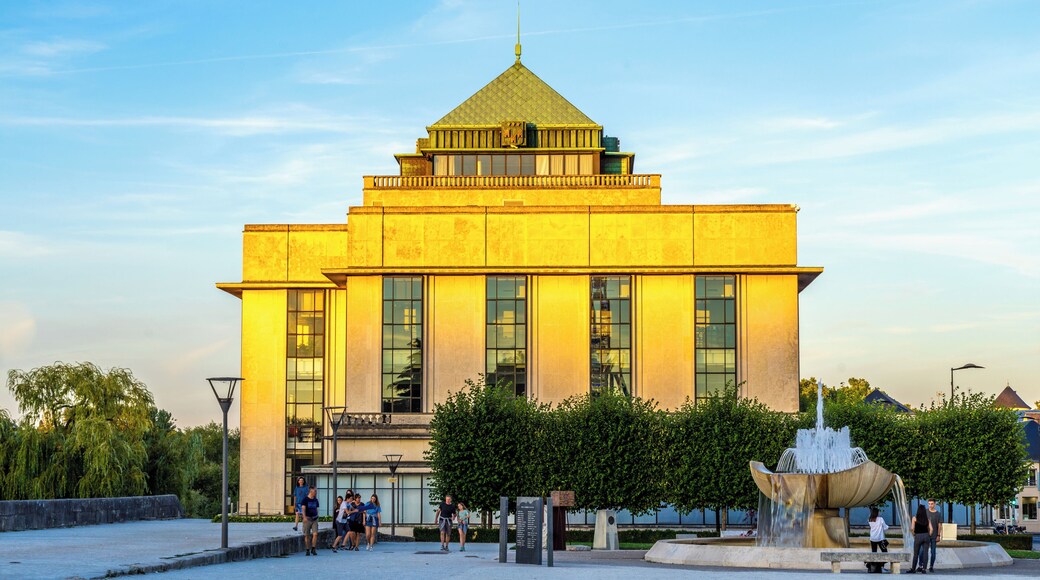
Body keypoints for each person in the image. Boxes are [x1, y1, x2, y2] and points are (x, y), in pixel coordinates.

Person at [909, 504, 933, 574]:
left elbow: (912, 528)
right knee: (926, 553)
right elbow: (931, 529)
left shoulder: (914, 518)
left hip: (918, 536)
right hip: (926, 536)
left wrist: (913, 534)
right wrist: (929, 535)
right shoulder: (927, 519)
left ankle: (913, 569)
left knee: (916, 553)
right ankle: (924, 569)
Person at [867, 506, 890, 573]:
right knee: (885, 553)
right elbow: (885, 527)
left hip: (873, 538)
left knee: (874, 553)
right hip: (880, 539)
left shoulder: (869, 519)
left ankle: (873, 568)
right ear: (877, 513)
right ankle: (882, 567)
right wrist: (888, 527)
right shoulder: (880, 519)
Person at [301, 486, 320, 556]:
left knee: (315, 534)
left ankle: (313, 548)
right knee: (307, 535)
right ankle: (307, 549)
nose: (316, 492)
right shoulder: (305, 500)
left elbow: (316, 508)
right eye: (315, 491)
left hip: (314, 519)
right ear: (311, 491)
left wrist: (317, 516)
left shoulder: (316, 500)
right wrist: (304, 517)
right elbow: (303, 509)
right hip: (308, 519)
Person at [926, 499, 943, 573]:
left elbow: (939, 525)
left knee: (933, 552)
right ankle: (921, 565)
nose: (930, 505)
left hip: (934, 535)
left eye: (932, 504)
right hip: (925, 535)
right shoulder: (925, 512)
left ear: (935, 504)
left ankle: (931, 566)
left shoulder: (938, 514)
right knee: (922, 551)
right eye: (929, 504)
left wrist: (938, 535)